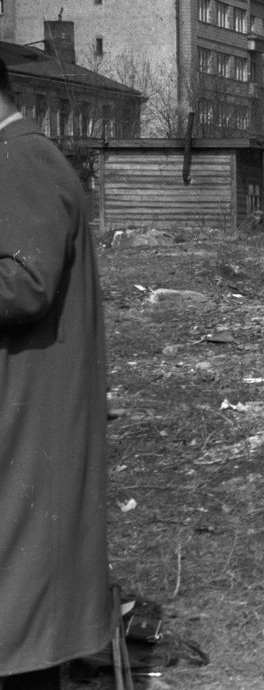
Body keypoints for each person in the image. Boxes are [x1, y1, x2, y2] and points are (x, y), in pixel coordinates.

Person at [0, 59, 112, 689]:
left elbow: (25, 284)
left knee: (24, 618)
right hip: (24, 408)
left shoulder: (21, 158)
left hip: (27, 413)